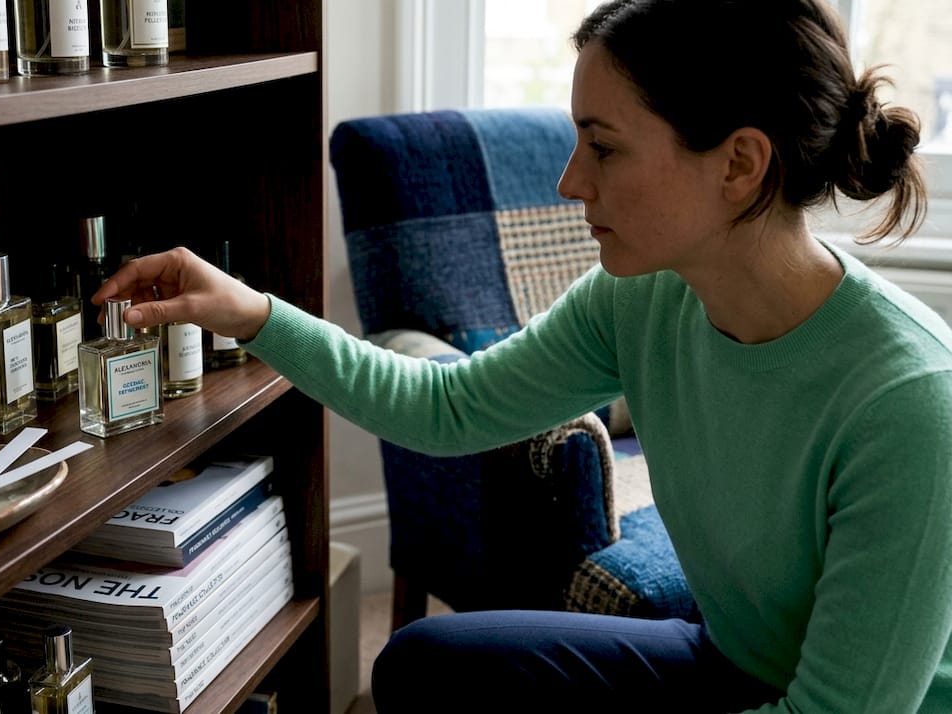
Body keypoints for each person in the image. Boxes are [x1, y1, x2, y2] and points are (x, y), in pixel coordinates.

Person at [92, 0, 951, 710]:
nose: (571, 181)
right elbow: (448, 410)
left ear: (739, 164)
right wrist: (253, 314)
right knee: (424, 665)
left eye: (603, 146)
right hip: (732, 662)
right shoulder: (642, 298)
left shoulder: (911, 404)